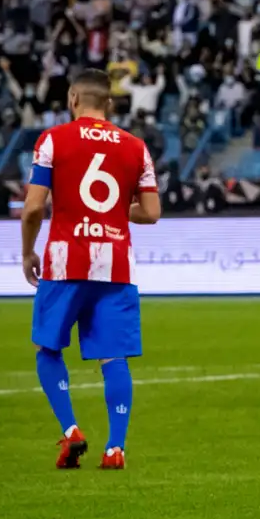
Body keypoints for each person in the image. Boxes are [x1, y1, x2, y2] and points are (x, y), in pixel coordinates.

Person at [22, 68, 162, 471]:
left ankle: (71, 432)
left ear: (71, 99)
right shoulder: (136, 147)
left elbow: (33, 207)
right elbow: (151, 212)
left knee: (47, 347)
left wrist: (28, 252)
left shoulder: (53, 140)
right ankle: (116, 448)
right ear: (110, 104)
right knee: (114, 356)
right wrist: (117, 213)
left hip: (66, 260)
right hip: (115, 263)